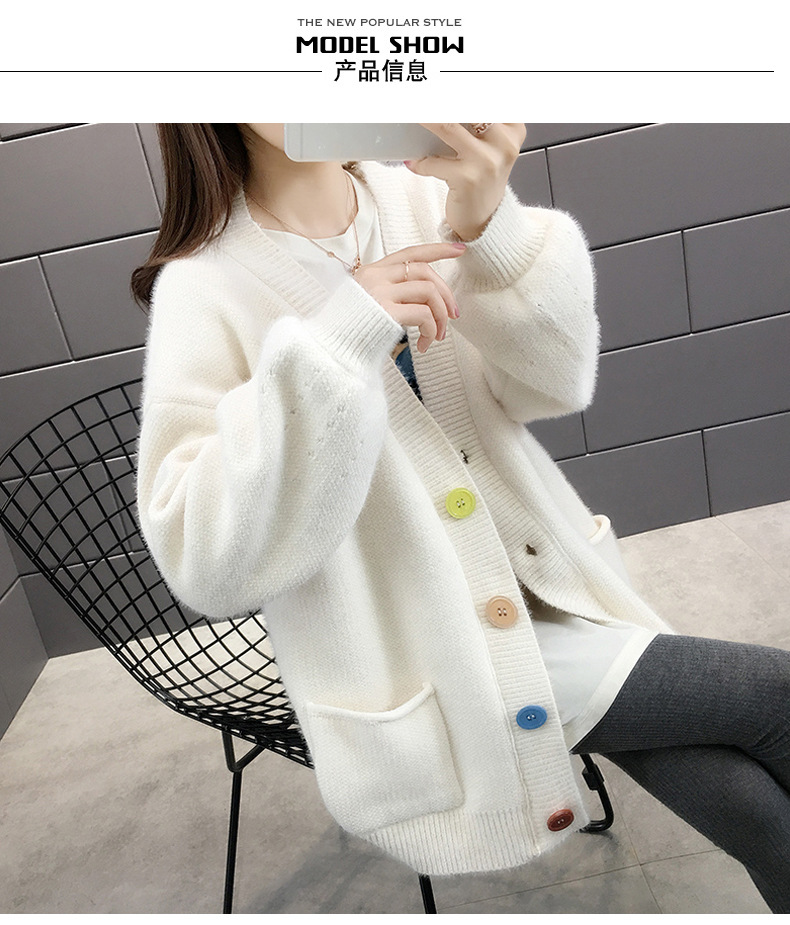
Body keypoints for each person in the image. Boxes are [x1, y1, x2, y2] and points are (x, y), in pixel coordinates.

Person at [133, 123, 790, 912]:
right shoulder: (205, 286)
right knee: (773, 699)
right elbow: (203, 558)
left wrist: (491, 229)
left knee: (752, 807)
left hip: (547, 589)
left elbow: (553, 384)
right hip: (442, 653)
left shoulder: (422, 198)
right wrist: (338, 341)